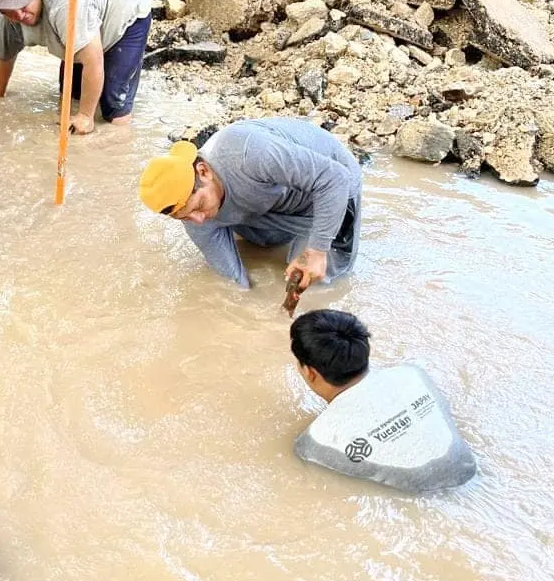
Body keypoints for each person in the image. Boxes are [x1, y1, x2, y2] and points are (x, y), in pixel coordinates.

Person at [138, 118, 362, 289]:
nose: (198, 219)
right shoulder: (189, 209)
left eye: (198, 206)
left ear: (203, 171)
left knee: (316, 282)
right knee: (253, 256)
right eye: (185, 217)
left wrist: (317, 249)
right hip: (270, 199)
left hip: (326, 187)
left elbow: (335, 179)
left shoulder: (252, 155)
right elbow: (231, 280)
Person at [290, 309, 477, 493]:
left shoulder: (314, 442)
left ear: (310, 372)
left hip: (421, 495)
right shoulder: (412, 374)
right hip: (470, 471)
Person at [0, 0, 152, 133]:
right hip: (82, 23)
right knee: (71, 95)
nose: (19, 15)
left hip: (126, 13)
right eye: (8, 10)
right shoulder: (10, 19)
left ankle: (120, 142)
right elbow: (4, 58)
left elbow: (93, 61)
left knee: (113, 105)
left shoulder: (65, 4)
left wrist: (86, 117)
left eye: (22, 4)